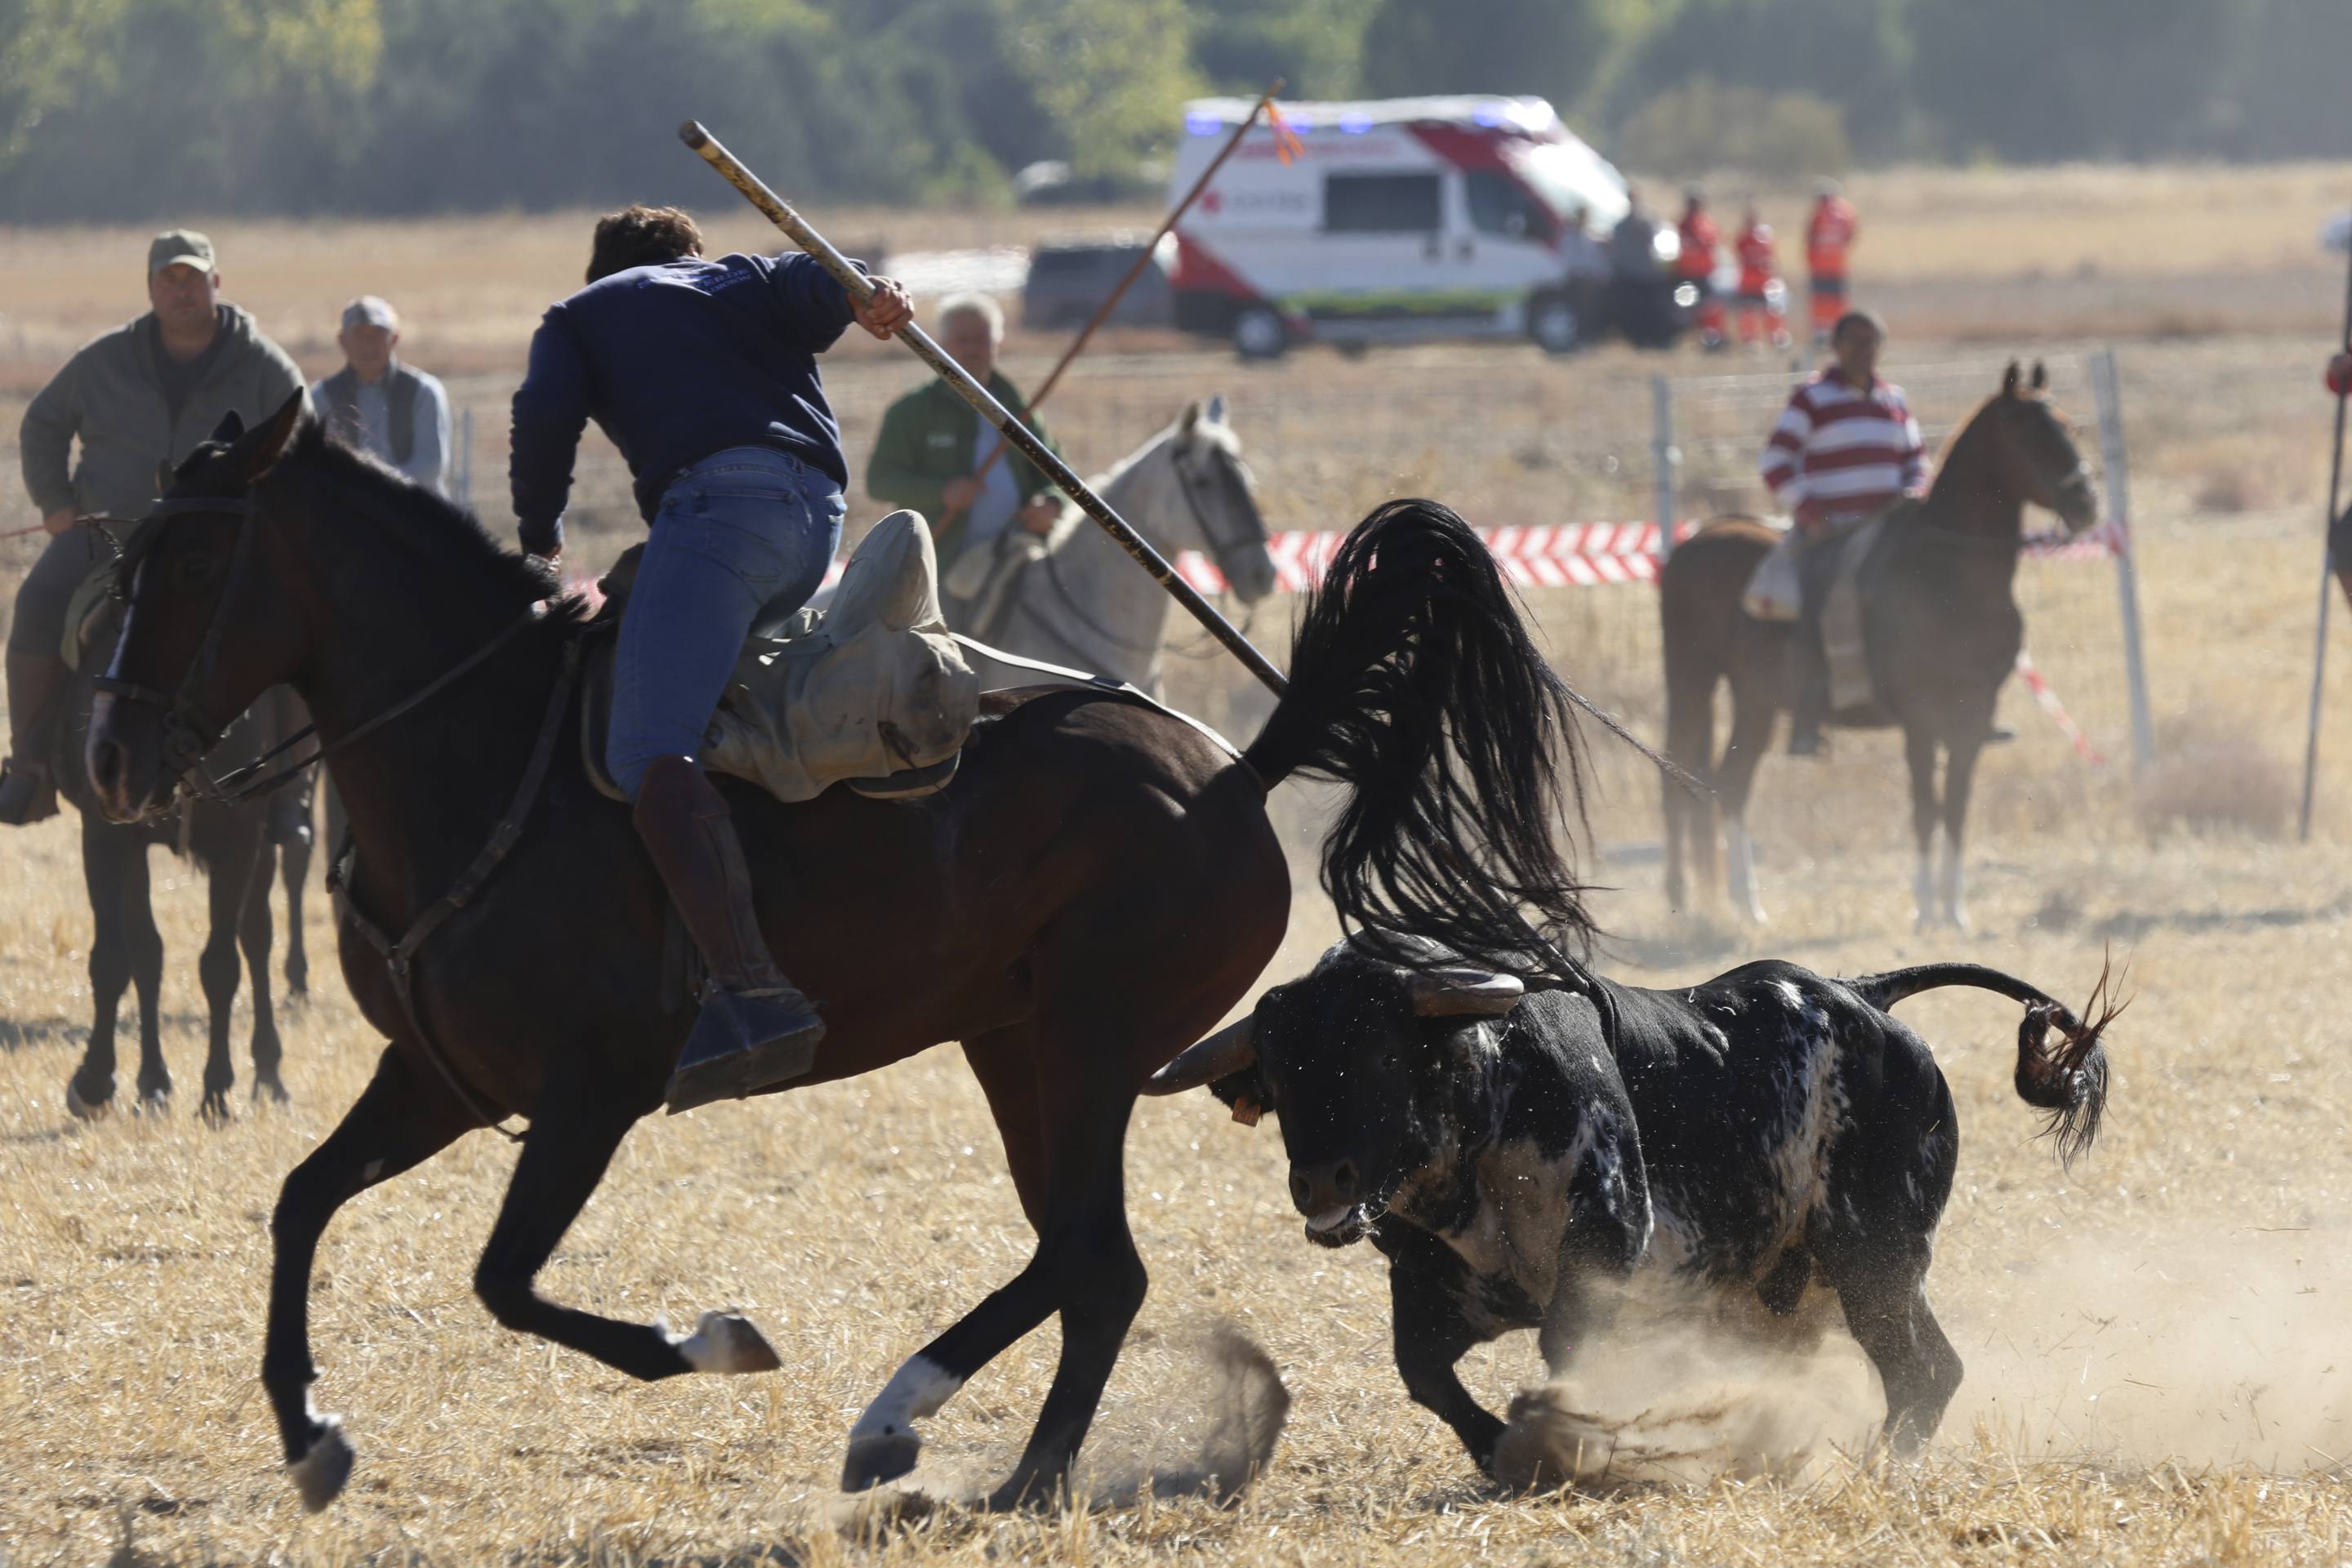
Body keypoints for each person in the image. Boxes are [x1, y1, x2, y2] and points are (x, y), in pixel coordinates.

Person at [509, 203, 911, 1113]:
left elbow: (543, 421)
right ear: (690, 255)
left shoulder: (584, 314)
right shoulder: (738, 274)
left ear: (600, 269)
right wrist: (871, 300)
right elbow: (822, 284)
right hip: (816, 524)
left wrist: (539, 545)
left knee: (649, 749)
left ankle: (752, 992)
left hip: (721, 516)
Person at [7, 229, 307, 826]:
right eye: (169, 280)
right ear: (149, 289)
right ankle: (30, 770)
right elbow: (42, 425)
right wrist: (56, 503)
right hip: (104, 535)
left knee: (292, 627)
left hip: (217, 547)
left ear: (216, 282)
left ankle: (288, 791)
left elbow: (304, 446)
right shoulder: (102, 359)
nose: (182, 291)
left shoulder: (264, 364)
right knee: (38, 602)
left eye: (193, 278)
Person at [1757, 308, 1927, 755]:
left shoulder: (1895, 400)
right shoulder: (1812, 398)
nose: (1863, 352)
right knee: (1821, 605)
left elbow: (1916, 461)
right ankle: (1808, 720)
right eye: (1854, 342)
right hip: (1832, 533)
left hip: (1891, 530)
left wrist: (1913, 491)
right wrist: (1811, 512)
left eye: (1871, 343)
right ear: (1835, 347)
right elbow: (1775, 462)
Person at [864, 293, 1065, 625]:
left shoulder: (1020, 410)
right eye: (962, 340)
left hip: (1019, 560)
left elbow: (1059, 476)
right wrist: (942, 492)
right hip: (940, 569)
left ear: (997, 344)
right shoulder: (911, 413)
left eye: (981, 340)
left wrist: (1051, 506)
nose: (972, 348)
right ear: (940, 345)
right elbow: (879, 481)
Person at [312, 296, 452, 494]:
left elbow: (429, 466)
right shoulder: (322, 396)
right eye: (359, 334)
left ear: (394, 338)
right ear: (342, 341)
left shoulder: (424, 392)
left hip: (419, 511)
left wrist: (378, 491)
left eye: (377, 333)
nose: (368, 344)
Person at [1806, 179, 1860, 350]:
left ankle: (1823, 332)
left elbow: (1810, 239)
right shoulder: (1846, 213)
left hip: (1822, 265)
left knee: (1822, 300)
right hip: (1835, 264)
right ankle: (1838, 331)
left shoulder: (1819, 215)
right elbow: (1851, 235)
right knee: (1834, 300)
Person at [1676, 188, 1726, 350]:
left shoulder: (1706, 222)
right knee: (1688, 307)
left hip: (1705, 273)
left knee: (1711, 307)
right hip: (1687, 274)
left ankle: (1712, 337)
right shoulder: (1683, 224)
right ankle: (1690, 338)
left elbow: (1713, 242)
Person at [1733, 205, 1788, 351]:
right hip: (1748, 281)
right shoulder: (1743, 238)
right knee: (1748, 312)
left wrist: (1774, 274)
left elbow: (1772, 258)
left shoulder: (1765, 238)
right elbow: (1740, 256)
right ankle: (1750, 340)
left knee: (1771, 311)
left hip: (1764, 282)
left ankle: (1777, 337)